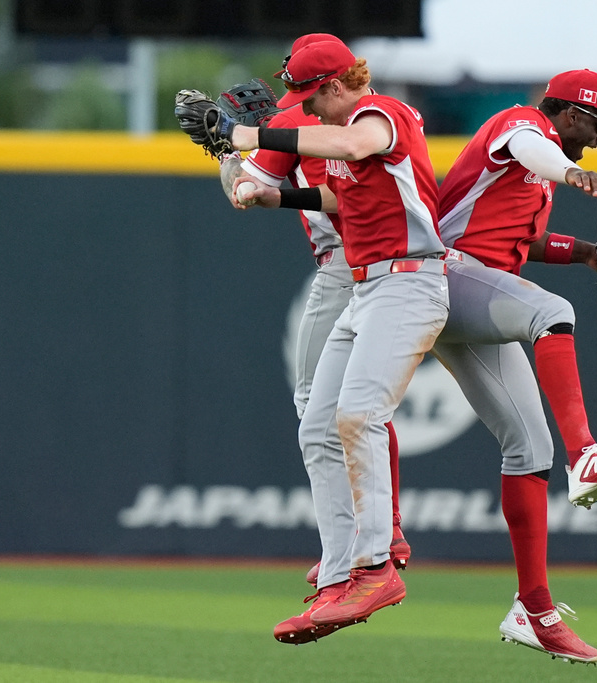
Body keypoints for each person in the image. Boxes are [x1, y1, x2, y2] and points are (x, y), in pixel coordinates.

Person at [209, 38, 449, 642]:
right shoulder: (339, 132)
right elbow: (340, 196)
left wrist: (244, 139)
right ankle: (340, 575)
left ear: (337, 84)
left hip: (410, 280)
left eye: (310, 96)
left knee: (358, 415)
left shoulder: (381, 115)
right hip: (368, 289)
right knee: (317, 426)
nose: (304, 109)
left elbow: (352, 143)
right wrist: (275, 193)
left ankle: (375, 565)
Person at [429, 69, 597, 664]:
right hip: (441, 275)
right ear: (570, 114)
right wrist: (572, 170)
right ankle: (588, 454)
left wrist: (587, 253)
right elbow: (533, 145)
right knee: (552, 313)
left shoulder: (532, 172)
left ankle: (536, 610)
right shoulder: (521, 125)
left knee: (529, 451)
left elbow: (521, 244)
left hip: (467, 291)